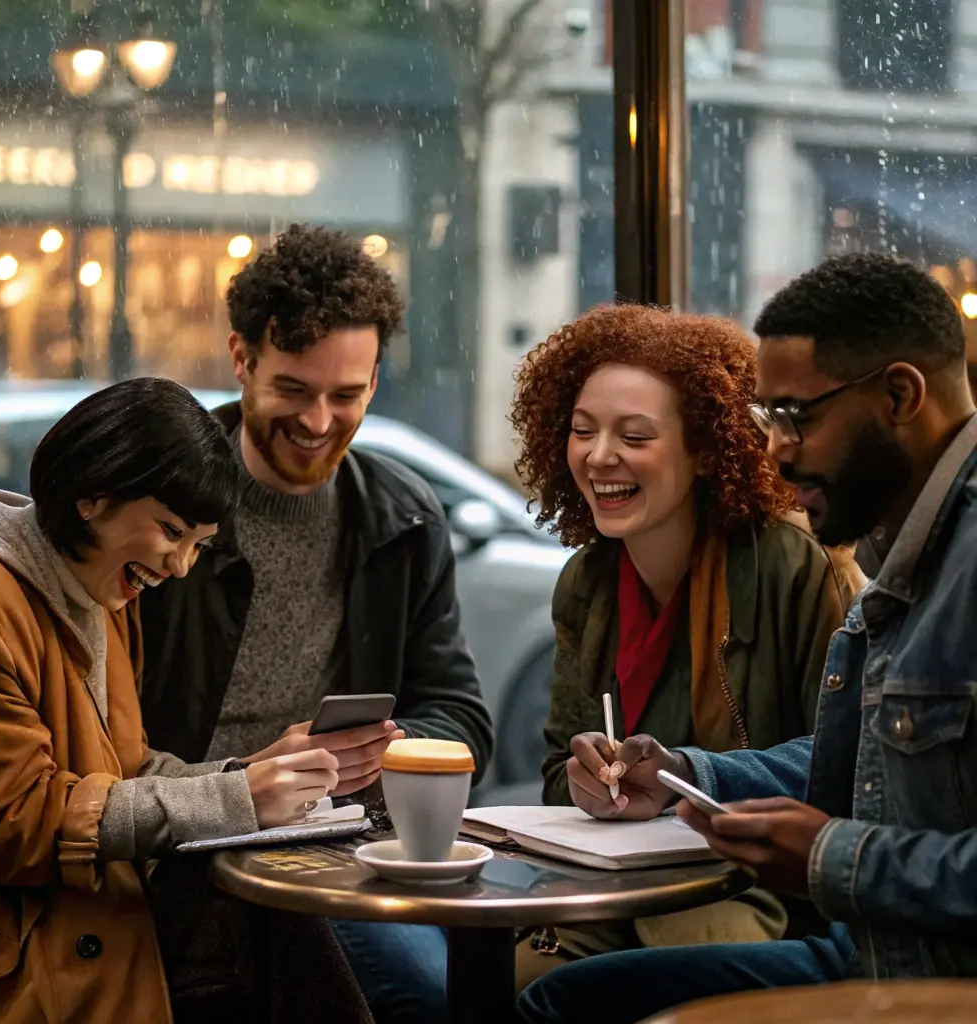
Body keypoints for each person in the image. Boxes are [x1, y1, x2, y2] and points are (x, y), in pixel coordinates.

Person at [517, 251, 977, 1024]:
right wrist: (686, 773)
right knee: (554, 997)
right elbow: (849, 762)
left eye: (797, 415)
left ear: (900, 395)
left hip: (921, 972)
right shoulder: (904, 555)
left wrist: (832, 858)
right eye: (768, 419)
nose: (775, 448)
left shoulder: (840, 560)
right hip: (875, 947)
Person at [138, 223, 494, 1024]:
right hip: (183, 843)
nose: (319, 420)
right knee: (418, 994)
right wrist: (243, 781)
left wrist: (380, 750)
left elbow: (462, 718)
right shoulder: (164, 507)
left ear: (375, 380)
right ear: (241, 359)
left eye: (348, 394)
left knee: (453, 990)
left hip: (333, 843)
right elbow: (97, 741)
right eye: (294, 390)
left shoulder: (401, 516)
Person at [0, 378, 371, 1024]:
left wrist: (250, 775)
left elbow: (128, 770)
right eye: (171, 531)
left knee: (283, 920)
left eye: (198, 545)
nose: (179, 567)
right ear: (92, 497)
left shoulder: (97, 587)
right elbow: (14, 824)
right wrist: (236, 800)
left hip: (85, 910)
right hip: (12, 949)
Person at [508, 303, 860, 984]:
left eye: (634, 436)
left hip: (759, 895)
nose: (599, 456)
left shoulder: (794, 565)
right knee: (508, 986)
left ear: (705, 450)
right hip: (617, 888)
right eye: (582, 430)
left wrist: (691, 774)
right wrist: (586, 779)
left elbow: (846, 763)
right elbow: (557, 769)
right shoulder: (586, 581)